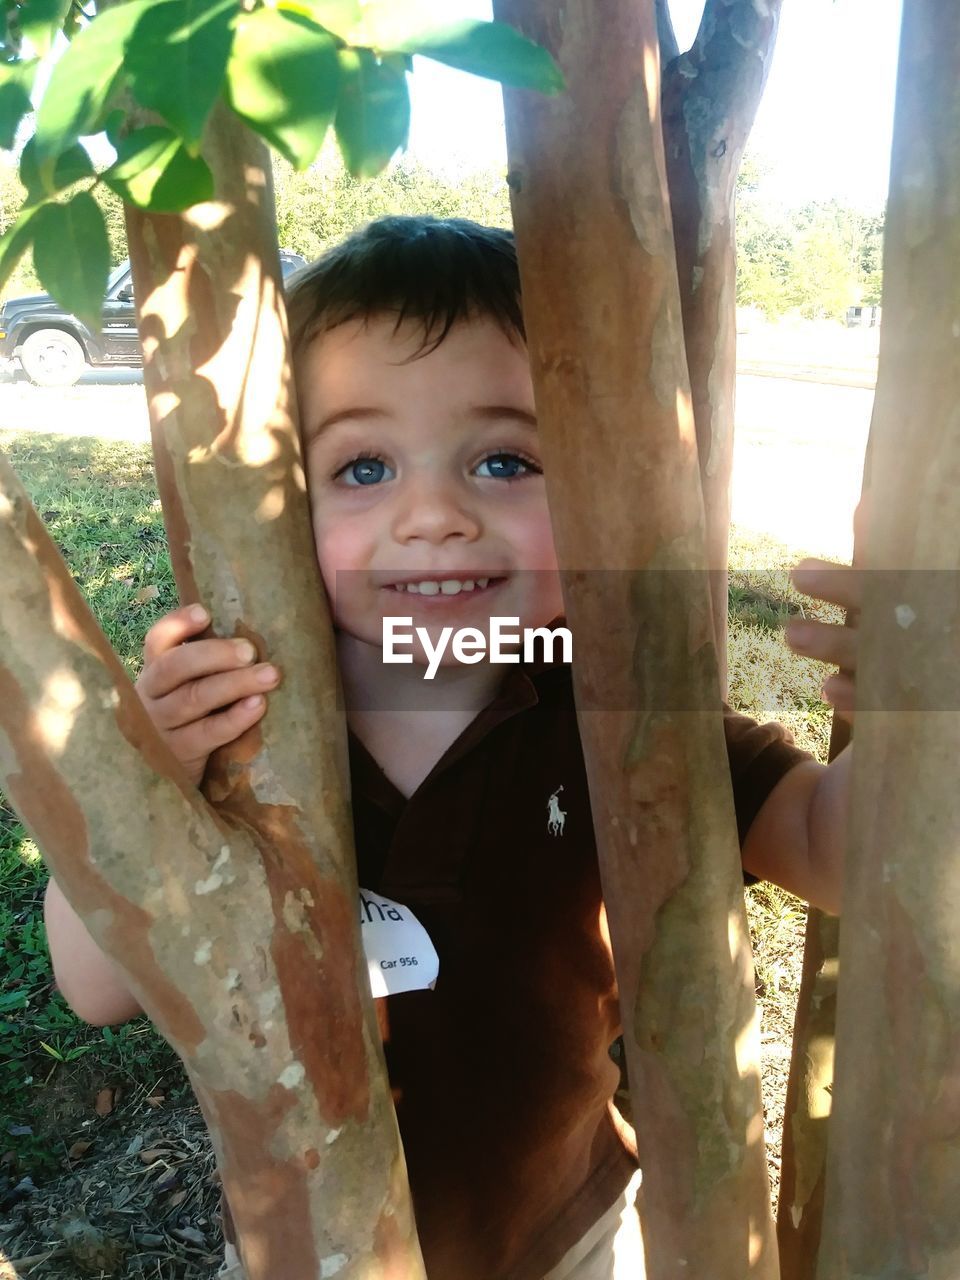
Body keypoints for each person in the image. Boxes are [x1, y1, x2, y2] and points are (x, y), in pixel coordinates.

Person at [44, 216, 860, 1280]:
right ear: (274, 502)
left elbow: (837, 849)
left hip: (569, 1235)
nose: (433, 514)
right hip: (307, 1249)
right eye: (364, 464)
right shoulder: (242, 733)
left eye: (506, 458)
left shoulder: (620, 714)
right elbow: (96, 983)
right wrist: (141, 788)